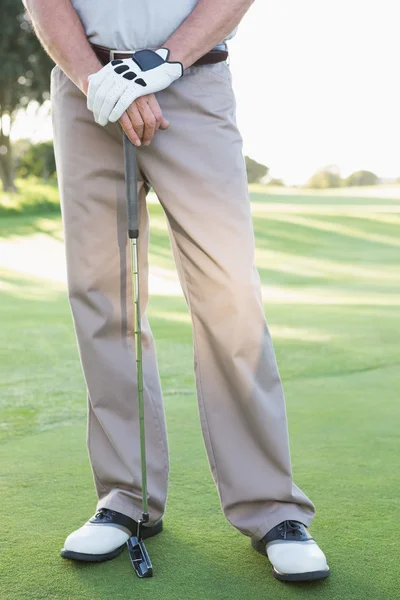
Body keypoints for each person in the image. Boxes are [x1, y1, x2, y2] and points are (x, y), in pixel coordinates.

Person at [25, 0, 330, 582]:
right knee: (101, 296)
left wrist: (161, 61)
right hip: (84, 86)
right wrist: (94, 77)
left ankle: (273, 508)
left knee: (228, 294)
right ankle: (125, 500)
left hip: (190, 81)